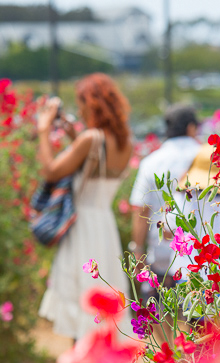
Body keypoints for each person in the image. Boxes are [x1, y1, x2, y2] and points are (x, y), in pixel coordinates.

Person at [37, 73, 132, 342]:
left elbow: (51, 170)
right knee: (105, 307)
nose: (79, 110)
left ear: (92, 104)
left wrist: (44, 130)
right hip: (104, 226)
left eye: (81, 103)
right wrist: (74, 137)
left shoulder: (90, 138)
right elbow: (94, 166)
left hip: (81, 228)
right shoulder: (125, 142)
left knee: (81, 300)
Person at [129, 104, 202, 305]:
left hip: (161, 251)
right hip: (199, 254)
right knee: (197, 321)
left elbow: (141, 211)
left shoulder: (151, 162)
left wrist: (138, 251)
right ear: (191, 128)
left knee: (162, 312)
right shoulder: (205, 157)